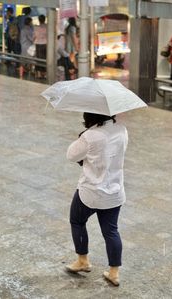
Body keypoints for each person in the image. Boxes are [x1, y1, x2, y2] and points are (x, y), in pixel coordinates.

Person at [66, 112, 128, 287]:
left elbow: (71, 155)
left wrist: (81, 137)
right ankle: (114, 273)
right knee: (111, 231)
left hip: (91, 192)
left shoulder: (90, 136)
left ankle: (83, 260)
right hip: (115, 192)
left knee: (77, 221)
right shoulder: (122, 130)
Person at [33, 14, 47, 79]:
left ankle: (38, 74)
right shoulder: (47, 27)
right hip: (45, 44)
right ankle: (44, 74)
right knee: (44, 59)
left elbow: (34, 36)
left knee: (38, 59)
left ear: (39, 20)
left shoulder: (36, 27)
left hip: (37, 44)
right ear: (44, 20)